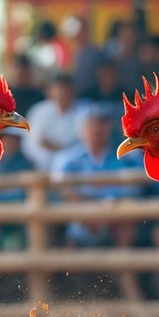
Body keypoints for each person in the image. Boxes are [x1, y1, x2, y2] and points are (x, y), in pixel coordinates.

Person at [51, 108, 143, 300]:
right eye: (92, 125)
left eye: (102, 124)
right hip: (80, 223)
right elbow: (61, 190)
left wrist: (107, 209)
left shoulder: (126, 157)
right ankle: (67, 301)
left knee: (127, 230)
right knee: (69, 243)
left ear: (109, 128)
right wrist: (91, 209)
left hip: (114, 221)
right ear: (82, 129)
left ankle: (133, 299)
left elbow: (135, 188)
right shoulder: (68, 159)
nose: (97, 129)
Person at [22, 75, 85, 170]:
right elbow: (30, 145)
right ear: (50, 92)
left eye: (65, 89)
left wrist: (60, 150)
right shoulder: (38, 111)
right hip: (42, 169)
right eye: (58, 88)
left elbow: (86, 144)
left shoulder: (85, 110)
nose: (61, 93)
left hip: (77, 169)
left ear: (73, 91)